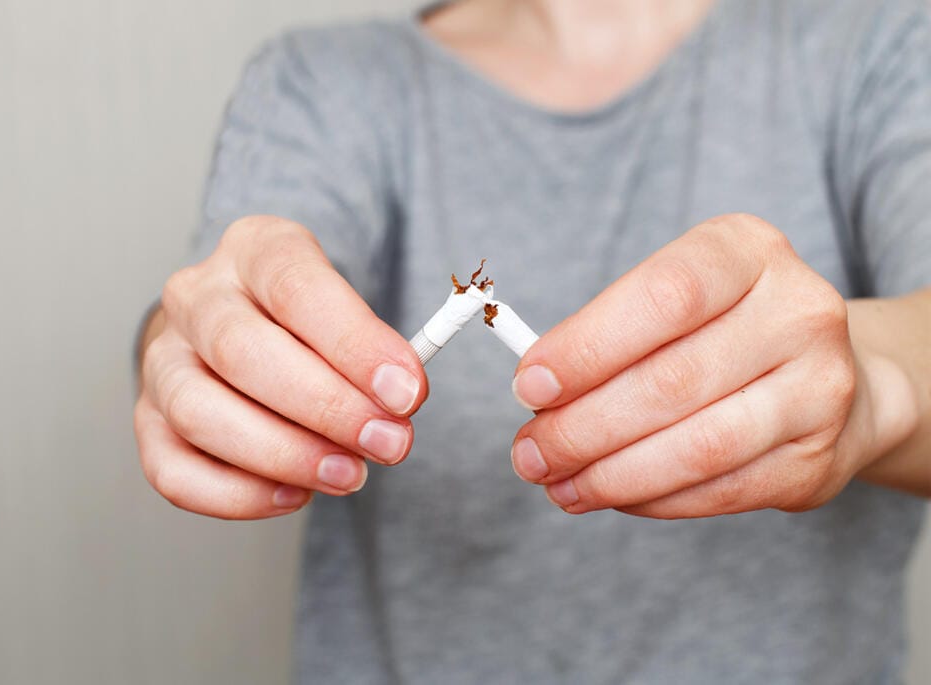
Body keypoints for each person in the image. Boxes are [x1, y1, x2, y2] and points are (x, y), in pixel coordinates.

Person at [134, 0, 931, 681]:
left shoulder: (875, 39)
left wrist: (873, 383)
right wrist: (197, 349)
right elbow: (221, 291)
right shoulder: (325, 82)